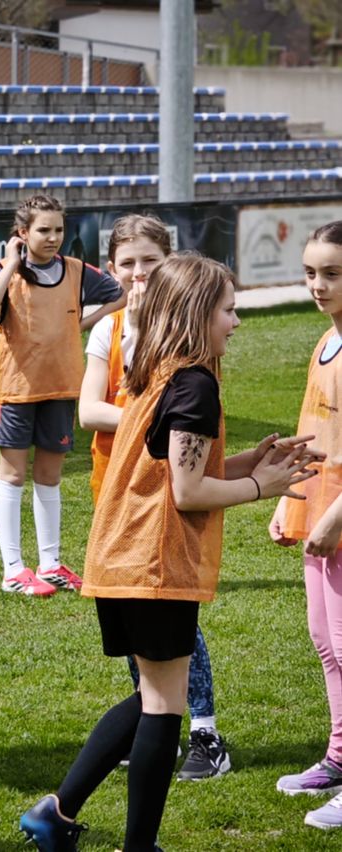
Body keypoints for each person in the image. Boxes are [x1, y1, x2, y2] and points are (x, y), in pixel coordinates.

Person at [20, 252, 320, 852]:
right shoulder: (195, 382)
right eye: (228, 310)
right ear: (196, 313)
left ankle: (55, 813)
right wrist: (265, 487)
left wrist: (249, 463)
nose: (236, 322)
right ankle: (137, 847)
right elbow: (188, 492)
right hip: (152, 563)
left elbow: (171, 470)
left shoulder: (157, 372)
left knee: (154, 696)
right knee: (163, 706)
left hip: (121, 558)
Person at [78, 214, 231, 781]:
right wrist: (158, 425)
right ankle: (79, 806)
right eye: (127, 264)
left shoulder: (181, 351)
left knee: (163, 664)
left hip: (147, 510)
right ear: (112, 270)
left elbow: (180, 461)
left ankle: (202, 733)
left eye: (150, 261)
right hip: (135, 510)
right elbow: (89, 410)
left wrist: (160, 430)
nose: (139, 274)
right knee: (157, 667)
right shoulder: (161, 357)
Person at [0, 194, 125, 597]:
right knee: (13, 475)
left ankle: (51, 564)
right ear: (22, 234)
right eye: (43, 230)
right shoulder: (8, 273)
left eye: (58, 229)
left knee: (50, 477)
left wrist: (83, 322)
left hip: (61, 388)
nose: (53, 237)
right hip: (17, 391)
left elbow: (118, 295)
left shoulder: (75, 271)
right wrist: (9, 263)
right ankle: (13, 569)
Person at [270, 220, 342, 830]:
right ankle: (339, 758)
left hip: (340, 515)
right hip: (318, 508)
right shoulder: (326, 340)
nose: (318, 284)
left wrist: (334, 517)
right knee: (326, 642)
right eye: (311, 272)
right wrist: (288, 498)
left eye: (333, 274)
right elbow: (313, 428)